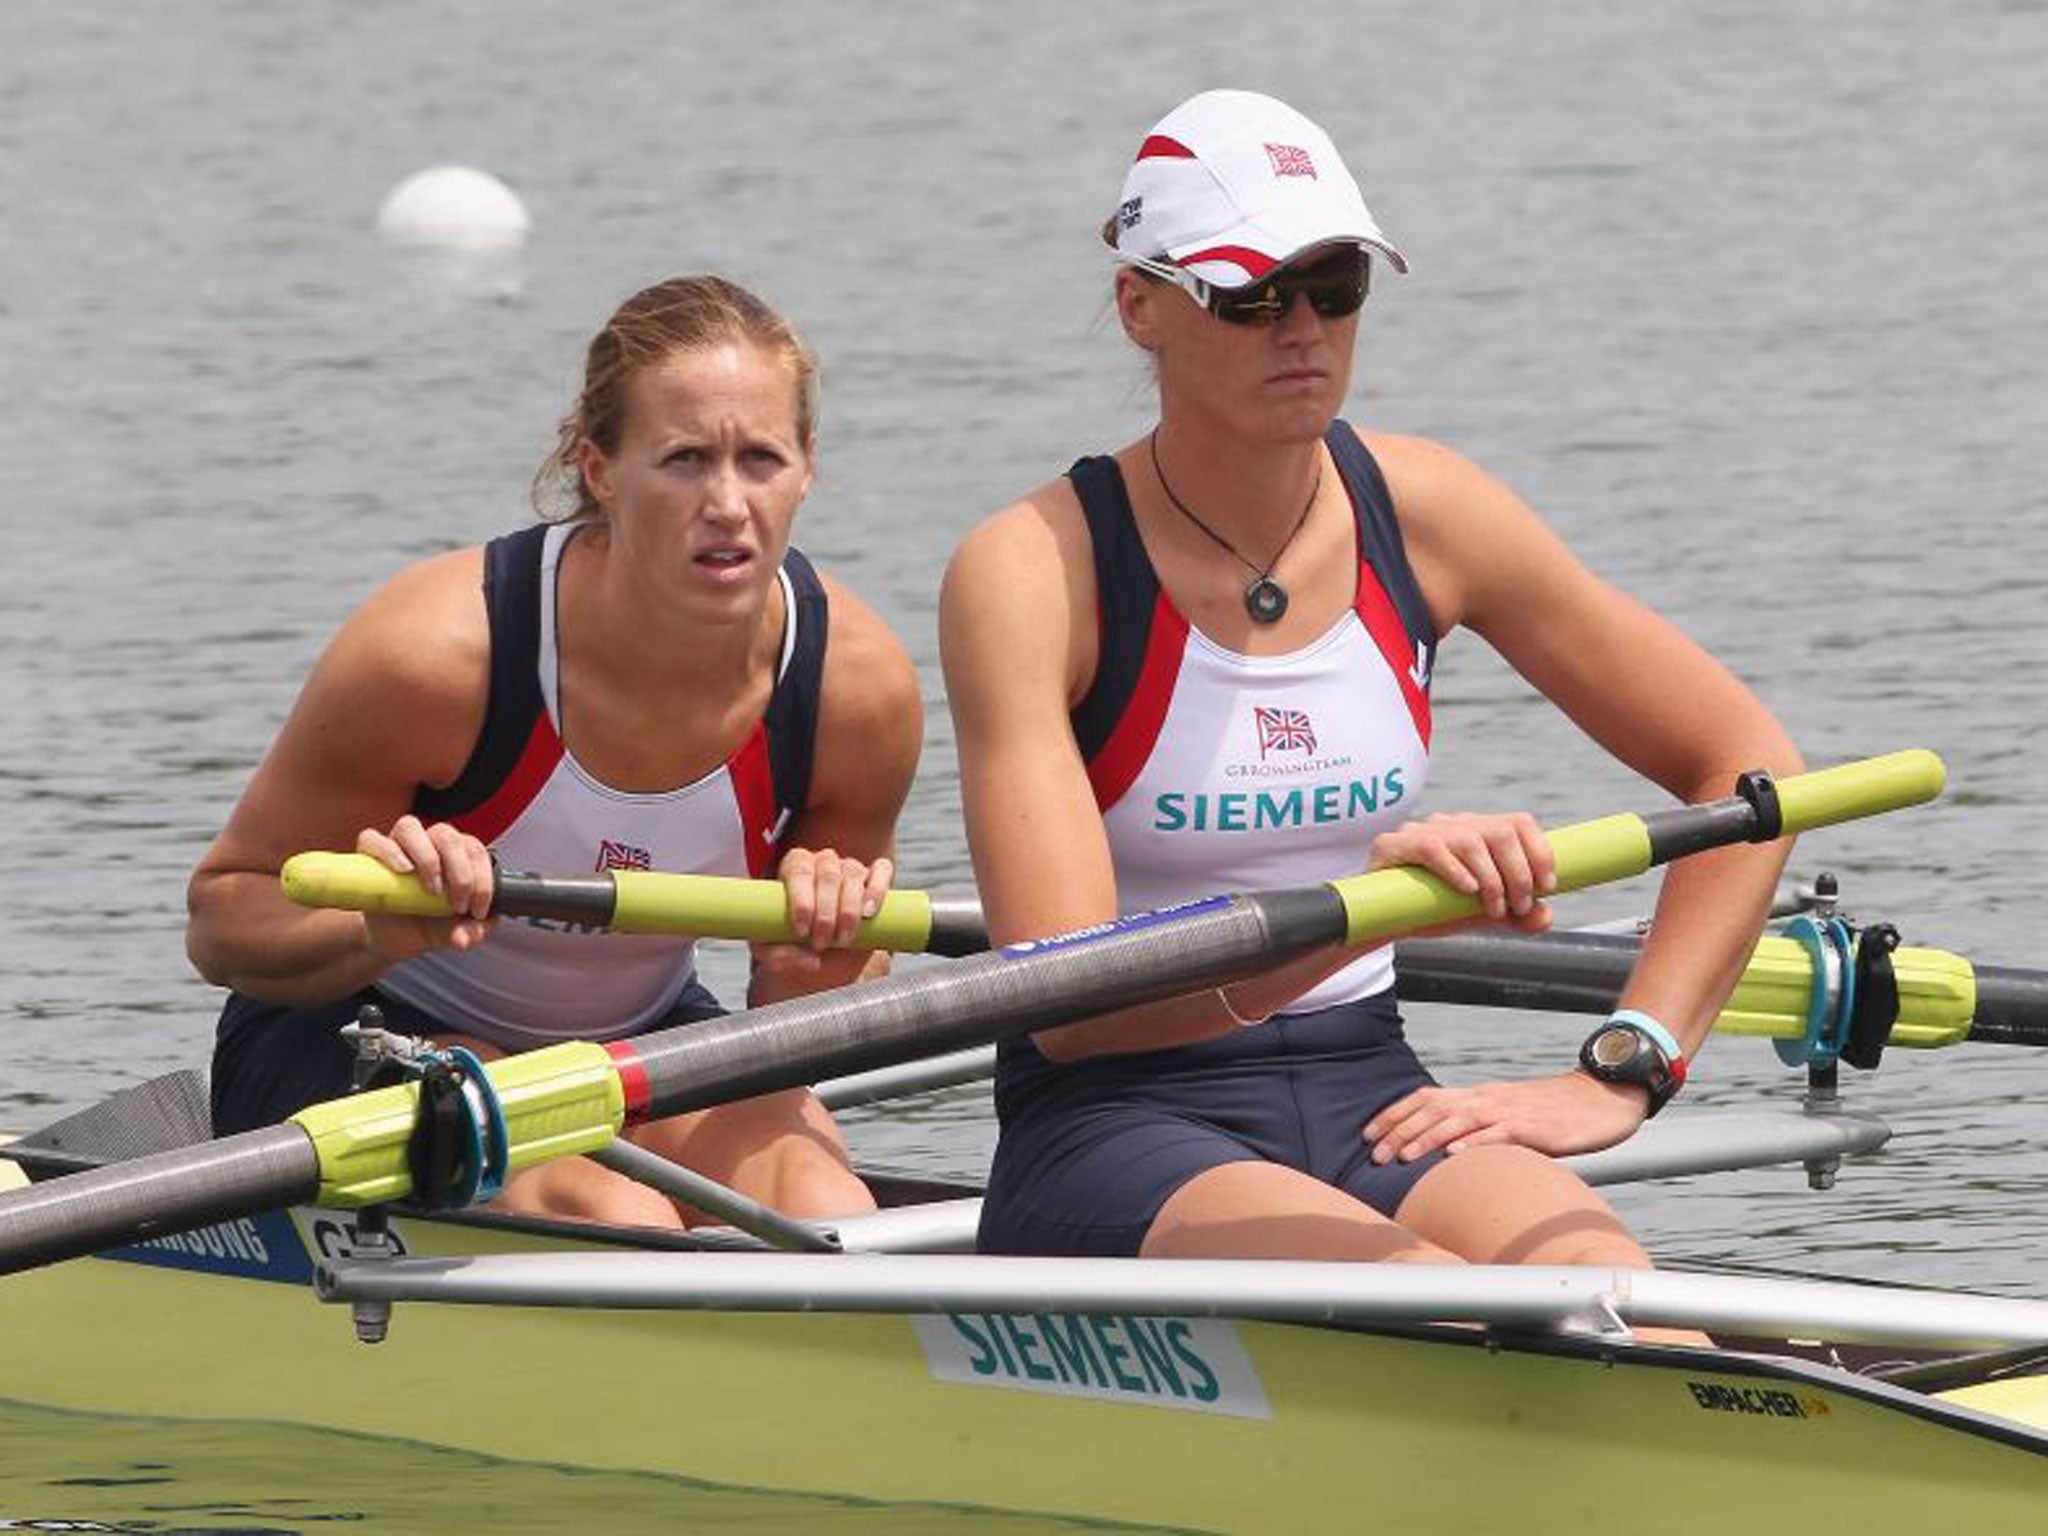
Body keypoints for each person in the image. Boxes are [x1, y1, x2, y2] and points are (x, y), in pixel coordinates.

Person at [940, 89, 1802, 1307]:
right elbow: (1074, 1008)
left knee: (1610, 1293)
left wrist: (1626, 1063)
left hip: (1370, 1091)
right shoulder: (1033, 568)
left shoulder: (1429, 511)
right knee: (1431, 1301)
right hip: (1116, 1120)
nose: (1300, 328)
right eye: (1248, 294)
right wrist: (1380, 909)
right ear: (1141, 305)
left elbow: (1747, 766)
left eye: (1334, 285)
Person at [189, 274, 921, 1229]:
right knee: (615, 1218)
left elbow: (803, 1015)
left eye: (761, 459)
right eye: (685, 459)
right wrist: (377, 925)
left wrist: (815, 967)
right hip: (361, 1036)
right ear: (599, 469)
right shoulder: (438, 657)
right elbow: (221, 920)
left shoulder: (854, 688)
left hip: (639, 1038)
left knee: (823, 1205)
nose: (730, 503)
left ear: (808, 467)